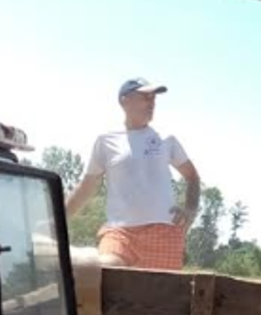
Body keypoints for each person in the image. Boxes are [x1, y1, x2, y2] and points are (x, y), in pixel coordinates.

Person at [66, 78, 200, 270]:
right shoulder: (106, 141)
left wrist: (190, 210)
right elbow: (87, 187)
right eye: (145, 97)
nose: (152, 103)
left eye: (153, 98)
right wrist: (57, 220)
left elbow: (192, 177)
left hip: (164, 232)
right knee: (104, 271)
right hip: (120, 233)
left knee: (160, 289)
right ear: (124, 101)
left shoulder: (166, 139)